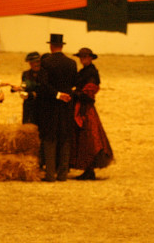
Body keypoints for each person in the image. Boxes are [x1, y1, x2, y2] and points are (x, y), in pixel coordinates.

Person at [38, 33, 77, 182]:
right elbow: (74, 82)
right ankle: (62, 174)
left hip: (50, 106)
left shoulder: (46, 63)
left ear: (51, 46)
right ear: (62, 46)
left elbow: (43, 84)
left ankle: (49, 174)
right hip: (67, 105)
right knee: (65, 139)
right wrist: (65, 94)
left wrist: (57, 94)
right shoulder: (71, 63)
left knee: (49, 139)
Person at [70, 47, 113, 180]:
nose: (83, 59)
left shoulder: (92, 73)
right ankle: (88, 168)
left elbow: (89, 94)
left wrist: (76, 93)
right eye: (81, 57)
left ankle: (89, 168)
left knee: (89, 137)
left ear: (90, 58)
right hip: (83, 106)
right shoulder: (85, 71)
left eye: (85, 57)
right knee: (87, 137)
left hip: (85, 108)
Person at [18, 52, 42, 125]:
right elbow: (24, 85)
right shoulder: (26, 74)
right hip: (28, 104)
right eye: (31, 62)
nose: (34, 64)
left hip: (40, 104)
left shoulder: (44, 74)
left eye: (36, 62)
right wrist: (19, 88)